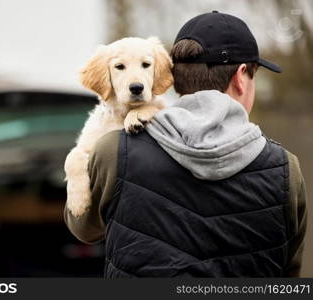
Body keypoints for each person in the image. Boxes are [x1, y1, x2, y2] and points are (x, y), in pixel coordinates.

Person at [64, 11, 307, 277]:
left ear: (173, 77)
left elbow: (85, 229)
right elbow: (290, 271)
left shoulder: (113, 150)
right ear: (240, 77)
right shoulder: (286, 168)